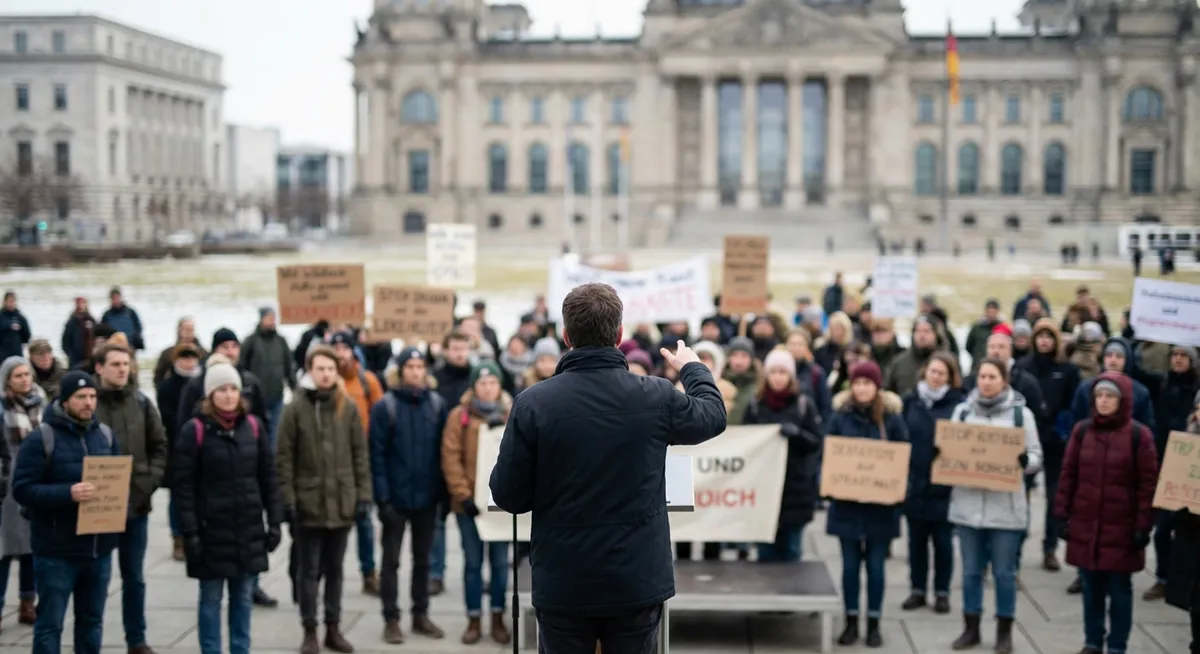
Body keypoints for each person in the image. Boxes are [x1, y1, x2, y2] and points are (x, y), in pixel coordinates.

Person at [489, 282, 727, 654]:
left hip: (565, 580)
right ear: (618, 335)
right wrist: (693, 368)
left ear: (566, 336)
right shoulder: (656, 395)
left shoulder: (533, 404)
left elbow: (508, 495)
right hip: (634, 578)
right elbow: (713, 414)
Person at [173, 362, 283, 654]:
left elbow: (268, 479)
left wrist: (274, 521)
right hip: (211, 532)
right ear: (210, 394)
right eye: (222, 389)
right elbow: (182, 488)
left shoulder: (254, 428)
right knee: (210, 600)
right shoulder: (194, 431)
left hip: (247, 530)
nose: (229, 395)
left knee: (243, 598)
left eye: (233, 388)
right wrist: (189, 533)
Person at [11, 370, 122, 654]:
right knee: (50, 625)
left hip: (97, 550)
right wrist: (66, 493)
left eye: (93, 396)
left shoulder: (105, 435)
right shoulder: (42, 439)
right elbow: (22, 489)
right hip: (56, 552)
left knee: (92, 622)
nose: (89, 403)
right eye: (81, 397)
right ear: (65, 400)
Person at [276, 345, 373, 654]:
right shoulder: (295, 409)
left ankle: (333, 627)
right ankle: (309, 630)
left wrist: (363, 495)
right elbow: (284, 459)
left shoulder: (348, 407)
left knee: (335, 570)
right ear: (310, 370)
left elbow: (360, 455)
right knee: (308, 571)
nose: (326, 374)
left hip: (341, 502)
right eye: (320, 369)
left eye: (331, 369)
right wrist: (288, 501)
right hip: (309, 504)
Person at [1055, 372, 1157, 654]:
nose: (1103, 401)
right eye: (1099, 395)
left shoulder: (1139, 435)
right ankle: (1092, 641)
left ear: (1122, 400)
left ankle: (1116, 645)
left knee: (1120, 591)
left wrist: (1142, 526)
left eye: (1110, 396)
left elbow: (1148, 485)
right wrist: (1062, 515)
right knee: (1091, 589)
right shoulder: (1082, 431)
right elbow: (1068, 475)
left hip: (1121, 528)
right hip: (1087, 526)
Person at [945, 357, 1043, 654]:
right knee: (971, 572)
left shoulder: (1020, 416)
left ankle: (1004, 630)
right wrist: (943, 454)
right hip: (968, 508)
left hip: (1006, 511)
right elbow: (949, 452)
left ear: (1004, 380)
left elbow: (1036, 454)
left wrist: (1026, 462)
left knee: (1004, 574)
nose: (986, 381)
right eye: (982, 376)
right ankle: (971, 627)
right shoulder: (962, 412)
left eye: (992, 376)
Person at [369, 346, 449, 644]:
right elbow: (375, 456)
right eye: (410, 366)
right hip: (396, 498)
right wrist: (383, 499)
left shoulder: (437, 405)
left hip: (427, 498)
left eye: (420, 366)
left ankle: (420, 614)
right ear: (401, 370)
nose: (416, 371)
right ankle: (391, 618)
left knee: (423, 560)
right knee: (390, 562)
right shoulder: (385, 406)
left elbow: (443, 451)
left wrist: (442, 494)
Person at [825, 361, 907, 648]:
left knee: (875, 566)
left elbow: (902, 462)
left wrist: (897, 489)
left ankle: (873, 623)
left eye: (867, 383)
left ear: (877, 387)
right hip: (846, 506)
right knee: (849, 567)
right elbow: (830, 455)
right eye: (857, 383)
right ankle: (850, 621)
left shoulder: (892, 420)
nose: (861, 388)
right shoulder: (840, 417)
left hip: (880, 508)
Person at [92, 343, 168, 654]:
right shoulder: (88, 403)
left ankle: (136, 640)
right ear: (99, 368)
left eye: (126, 363)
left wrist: (148, 483)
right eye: (115, 364)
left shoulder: (142, 403)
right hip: (98, 509)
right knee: (96, 580)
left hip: (136, 506)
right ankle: (90, 641)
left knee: (134, 578)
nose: (123, 369)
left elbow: (160, 447)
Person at [441, 361, 512, 644]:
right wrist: (463, 494)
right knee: (472, 564)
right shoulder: (459, 417)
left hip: (499, 507)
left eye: (493, 382)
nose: (488, 387)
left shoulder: (510, 413)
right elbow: (450, 457)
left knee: (499, 564)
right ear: (473, 387)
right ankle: (473, 618)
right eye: (482, 383)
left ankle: (497, 617)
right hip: (468, 506)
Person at [742, 348, 822, 562]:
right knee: (765, 552)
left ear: (791, 376)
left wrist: (798, 435)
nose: (778, 377)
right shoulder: (755, 405)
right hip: (763, 486)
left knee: (792, 550)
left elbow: (816, 442)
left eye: (783, 372)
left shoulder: (804, 405)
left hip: (795, 488)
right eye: (774, 371)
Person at [900, 351, 965, 614]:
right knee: (916, 541)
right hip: (914, 481)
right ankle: (917, 589)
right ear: (924, 371)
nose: (936, 377)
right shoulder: (910, 401)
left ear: (950, 377)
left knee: (943, 542)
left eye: (942, 373)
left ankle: (942, 591)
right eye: (933, 371)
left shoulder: (958, 404)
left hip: (943, 484)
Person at [330, 330, 385, 597]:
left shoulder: (367, 381)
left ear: (353, 352)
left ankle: (369, 573)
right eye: (336, 348)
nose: (340, 352)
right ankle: (331, 574)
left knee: (365, 519)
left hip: (362, 459)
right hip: (332, 461)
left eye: (344, 348)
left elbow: (381, 417)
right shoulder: (325, 380)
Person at [0, 356, 40, 627]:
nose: (25, 380)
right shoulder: (2, 408)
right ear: (7, 381)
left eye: (27, 375)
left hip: (35, 480)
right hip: (6, 485)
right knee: (4, 549)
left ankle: (28, 602)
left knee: (31, 547)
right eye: (18, 376)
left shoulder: (42, 403)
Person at [239, 307, 295, 441]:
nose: (271, 321)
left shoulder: (281, 341)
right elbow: (242, 365)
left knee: (275, 433)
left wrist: (295, 388)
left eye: (273, 318)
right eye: (268, 318)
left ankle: (272, 459)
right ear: (261, 319)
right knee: (257, 431)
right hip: (256, 397)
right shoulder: (251, 341)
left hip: (277, 395)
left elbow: (289, 367)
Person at [0, 292, 31, 363]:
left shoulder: (20, 318)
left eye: (13, 301)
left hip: (17, 354)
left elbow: (27, 336)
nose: (11, 303)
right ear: (4, 302)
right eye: (9, 301)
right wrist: (8, 327)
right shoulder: (1, 317)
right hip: (2, 356)